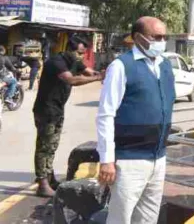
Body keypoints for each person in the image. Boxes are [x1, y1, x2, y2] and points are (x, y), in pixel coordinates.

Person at [96, 17, 174, 224]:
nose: (162, 41)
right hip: (129, 160)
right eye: (156, 37)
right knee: (120, 218)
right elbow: (106, 114)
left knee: (148, 218)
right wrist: (106, 159)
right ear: (138, 38)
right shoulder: (121, 66)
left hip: (158, 158)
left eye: (165, 37)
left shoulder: (165, 65)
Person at [33, 36, 102, 197]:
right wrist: (98, 77)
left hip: (57, 109)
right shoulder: (56, 62)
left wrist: (104, 73)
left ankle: (50, 179)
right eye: (79, 53)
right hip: (46, 110)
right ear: (70, 49)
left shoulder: (74, 62)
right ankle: (42, 183)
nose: (81, 57)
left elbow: (89, 72)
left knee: (52, 145)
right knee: (44, 147)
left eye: (83, 53)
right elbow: (70, 79)